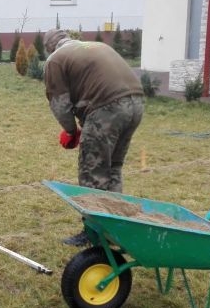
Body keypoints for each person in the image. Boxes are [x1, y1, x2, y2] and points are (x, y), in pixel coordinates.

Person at [43, 28, 145, 246]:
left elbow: (59, 104)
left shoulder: (55, 59)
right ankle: (115, 228)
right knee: (113, 167)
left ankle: (94, 233)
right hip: (137, 103)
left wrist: (71, 131)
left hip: (107, 108)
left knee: (93, 171)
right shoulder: (95, 45)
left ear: (49, 48)